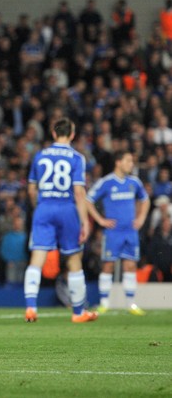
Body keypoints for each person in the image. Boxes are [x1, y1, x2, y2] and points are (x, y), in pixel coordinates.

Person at [23, 117, 98, 323]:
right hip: (67, 209)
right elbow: (79, 192)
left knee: (37, 259)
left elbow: (31, 189)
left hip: (44, 207)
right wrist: (84, 221)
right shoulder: (77, 157)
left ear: (54, 134)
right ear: (72, 134)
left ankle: (31, 307)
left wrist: (39, 206)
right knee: (74, 260)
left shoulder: (40, 156)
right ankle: (78, 312)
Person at [86, 150, 150, 315]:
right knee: (108, 265)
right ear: (118, 162)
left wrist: (141, 218)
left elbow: (145, 199)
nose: (131, 164)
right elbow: (88, 200)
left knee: (130, 266)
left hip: (130, 232)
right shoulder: (106, 182)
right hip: (113, 232)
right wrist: (100, 220)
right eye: (128, 161)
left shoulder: (134, 182)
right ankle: (104, 303)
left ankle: (130, 304)